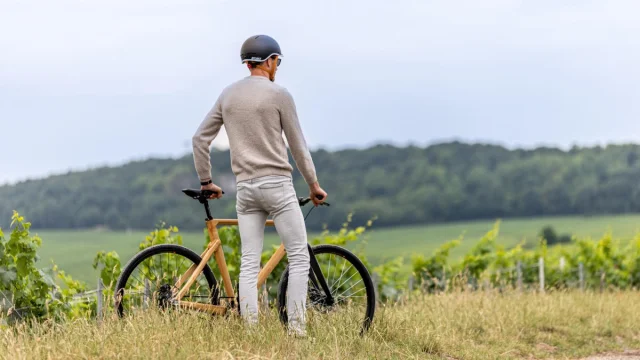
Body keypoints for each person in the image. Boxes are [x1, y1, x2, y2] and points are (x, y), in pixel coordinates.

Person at [191, 34, 327, 337]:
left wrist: (206, 180)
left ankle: (251, 333)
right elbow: (298, 147)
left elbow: (200, 139)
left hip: (246, 188)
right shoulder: (279, 94)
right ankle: (297, 331)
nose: (277, 66)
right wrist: (314, 185)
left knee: (249, 262)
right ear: (269, 61)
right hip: (277, 185)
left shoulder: (228, 95)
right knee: (300, 255)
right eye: (277, 61)